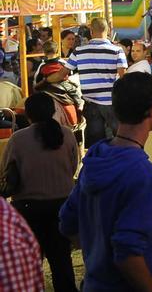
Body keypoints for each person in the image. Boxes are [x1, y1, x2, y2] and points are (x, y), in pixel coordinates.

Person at [60, 73, 152, 291]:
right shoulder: (143, 173)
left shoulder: (95, 159)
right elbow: (128, 254)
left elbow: (67, 221)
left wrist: (97, 252)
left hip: (95, 283)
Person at [2, 91, 80, 292]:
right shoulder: (67, 135)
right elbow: (73, 167)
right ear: (54, 111)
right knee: (62, 260)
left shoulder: (18, 139)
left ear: (28, 114)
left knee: (31, 262)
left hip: (27, 209)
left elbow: (6, 170)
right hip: (62, 206)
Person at [66, 16, 127, 148]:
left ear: (91, 32)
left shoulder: (79, 51)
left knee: (95, 143)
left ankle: (98, 165)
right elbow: (124, 78)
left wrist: (46, 80)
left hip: (91, 102)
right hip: (111, 102)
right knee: (119, 140)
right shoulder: (117, 50)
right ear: (108, 30)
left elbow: (63, 73)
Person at [34, 42, 85, 132]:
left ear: (44, 52)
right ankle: (79, 106)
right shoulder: (63, 62)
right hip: (63, 84)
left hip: (48, 86)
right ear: (57, 51)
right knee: (75, 93)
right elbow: (70, 74)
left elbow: (37, 79)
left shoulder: (42, 65)